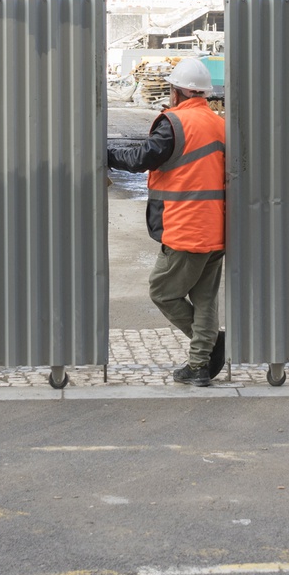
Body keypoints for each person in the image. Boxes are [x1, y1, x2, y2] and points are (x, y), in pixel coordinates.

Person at [107, 56, 227, 386]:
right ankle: (199, 366)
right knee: (204, 298)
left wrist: (105, 153)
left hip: (186, 228)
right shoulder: (220, 124)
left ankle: (211, 346)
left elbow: (142, 157)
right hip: (217, 228)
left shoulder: (174, 123)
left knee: (162, 290)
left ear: (177, 92)